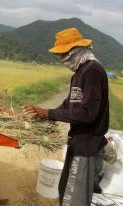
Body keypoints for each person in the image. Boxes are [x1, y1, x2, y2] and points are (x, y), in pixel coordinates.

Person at [23, 28, 109, 206]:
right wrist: (46, 115)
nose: (62, 60)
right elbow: (69, 104)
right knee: (66, 191)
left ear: (75, 51)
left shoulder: (92, 71)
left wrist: (49, 113)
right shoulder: (80, 72)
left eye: (63, 55)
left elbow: (87, 113)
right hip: (77, 141)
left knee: (74, 198)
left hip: (87, 145)